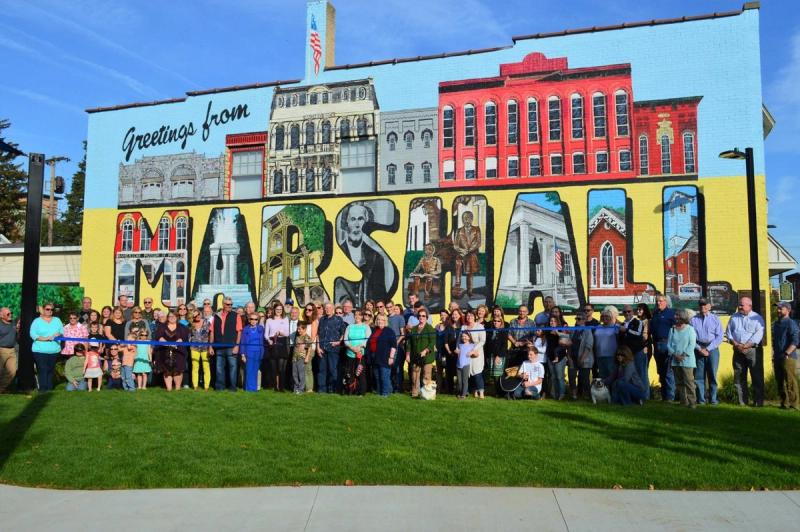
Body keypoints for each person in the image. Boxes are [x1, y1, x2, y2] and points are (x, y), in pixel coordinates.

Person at [340, 203, 388, 306]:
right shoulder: (337, 254)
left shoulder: (377, 258)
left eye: (360, 219)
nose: (357, 225)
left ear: (366, 223)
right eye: (353, 219)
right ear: (346, 222)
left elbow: (380, 295)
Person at [725, 296, 765, 406]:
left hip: (752, 350)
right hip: (737, 350)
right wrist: (737, 345)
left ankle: (758, 402)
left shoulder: (757, 318)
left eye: (742, 305)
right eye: (739, 304)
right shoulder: (733, 317)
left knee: (756, 376)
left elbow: (758, 335)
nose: (740, 306)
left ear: (749, 306)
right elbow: (729, 333)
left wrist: (746, 345)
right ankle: (742, 402)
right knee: (739, 377)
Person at [689, 298, 723, 405]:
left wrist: (708, 349)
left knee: (712, 374)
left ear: (709, 306)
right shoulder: (693, 320)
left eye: (705, 305)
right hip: (698, 348)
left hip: (712, 349)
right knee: (699, 376)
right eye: (700, 305)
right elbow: (690, 337)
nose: (702, 307)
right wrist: (699, 348)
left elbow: (720, 336)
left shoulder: (715, 319)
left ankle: (713, 399)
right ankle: (701, 399)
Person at [29, 302, 63, 392]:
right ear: (43, 310)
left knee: (50, 369)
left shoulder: (57, 320)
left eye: (52, 309)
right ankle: (43, 389)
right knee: (42, 369)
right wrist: (46, 338)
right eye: (47, 309)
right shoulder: (37, 321)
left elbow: (62, 331)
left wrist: (58, 334)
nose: (50, 311)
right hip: (40, 350)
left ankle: (49, 388)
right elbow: (32, 334)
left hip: (54, 350)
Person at [772, 302, 799, 410]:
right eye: (777, 308)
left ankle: (794, 405)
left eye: (780, 308)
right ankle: (784, 403)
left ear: (788, 310)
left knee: (790, 381)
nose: (778, 310)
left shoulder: (791, 323)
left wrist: (787, 353)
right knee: (780, 381)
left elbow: (795, 340)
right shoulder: (777, 324)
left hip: (788, 357)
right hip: (778, 356)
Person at [212, 297, 242, 392]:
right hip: (219, 347)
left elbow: (239, 332)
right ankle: (220, 387)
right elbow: (212, 331)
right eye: (228, 304)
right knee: (219, 368)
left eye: (231, 304)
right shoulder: (216, 316)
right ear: (223, 304)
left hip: (231, 347)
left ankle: (233, 387)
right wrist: (210, 346)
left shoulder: (236, 315)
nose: (230, 306)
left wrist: (237, 346)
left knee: (233, 368)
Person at [668, 309, 697, 408]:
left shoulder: (690, 329)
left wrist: (683, 355)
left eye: (677, 315)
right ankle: (683, 402)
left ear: (683, 317)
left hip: (687, 360)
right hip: (675, 360)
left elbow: (692, 344)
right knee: (679, 382)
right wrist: (675, 355)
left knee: (689, 382)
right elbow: (669, 345)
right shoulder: (672, 329)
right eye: (675, 315)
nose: (675, 317)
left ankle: (692, 403)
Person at [651, 295, 676, 401]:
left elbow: (676, 330)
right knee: (660, 371)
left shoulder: (671, 313)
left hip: (667, 343)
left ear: (665, 302)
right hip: (656, 345)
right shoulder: (655, 314)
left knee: (668, 371)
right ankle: (664, 396)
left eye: (660, 301)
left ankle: (670, 397)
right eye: (657, 301)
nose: (658, 303)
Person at [316, 302, 346, 393]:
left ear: (333, 309)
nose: (327, 309)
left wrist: (338, 342)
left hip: (333, 349)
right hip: (322, 349)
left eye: (329, 308)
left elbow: (344, 333)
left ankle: (333, 389)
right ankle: (321, 390)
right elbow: (318, 334)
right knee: (322, 371)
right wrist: (318, 347)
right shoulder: (322, 320)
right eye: (326, 308)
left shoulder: (338, 319)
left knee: (333, 370)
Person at [155, 311, 189, 391]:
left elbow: (184, 339)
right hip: (164, 351)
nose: (172, 318)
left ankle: (177, 388)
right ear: (167, 317)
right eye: (170, 316)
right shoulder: (162, 327)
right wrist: (167, 344)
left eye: (174, 316)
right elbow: (159, 337)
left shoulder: (182, 327)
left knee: (178, 370)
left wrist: (176, 344)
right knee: (167, 371)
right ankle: (169, 389)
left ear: (177, 317)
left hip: (178, 351)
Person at [619, 304, 648, 399]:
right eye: (625, 312)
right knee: (630, 375)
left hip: (638, 352)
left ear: (633, 312)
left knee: (641, 373)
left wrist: (626, 330)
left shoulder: (638, 322)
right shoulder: (622, 324)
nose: (627, 313)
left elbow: (638, 334)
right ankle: (634, 396)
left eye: (629, 311)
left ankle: (645, 396)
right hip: (627, 354)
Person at [367, 314, 397, 397]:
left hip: (385, 357)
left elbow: (394, 346)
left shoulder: (389, 331)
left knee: (384, 376)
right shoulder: (374, 330)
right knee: (377, 376)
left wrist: (391, 357)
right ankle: (380, 392)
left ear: (385, 321)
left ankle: (385, 393)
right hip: (375, 357)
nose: (380, 321)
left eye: (382, 320)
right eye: (378, 319)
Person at [452, 211, 481, 297]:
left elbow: (478, 243)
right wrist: (462, 250)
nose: (466, 220)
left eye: (468, 218)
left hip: (471, 254)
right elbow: (456, 245)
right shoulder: (459, 230)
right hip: (461, 254)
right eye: (464, 218)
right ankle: (457, 287)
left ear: (472, 219)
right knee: (458, 269)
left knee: (470, 273)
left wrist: (468, 250)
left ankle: (470, 291)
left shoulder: (476, 229)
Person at [407, 308, 435, 398]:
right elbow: (409, 343)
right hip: (415, 356)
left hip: (427, 357)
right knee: (415, 375)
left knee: (426, 376)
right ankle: (415, 393)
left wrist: (426, 350)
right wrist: (408, 354)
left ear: (426, 317)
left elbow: (432, 342)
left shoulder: (430, 329)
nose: (421, 317)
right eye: (419, 316)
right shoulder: (414, 329)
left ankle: (426, 394)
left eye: (423, 316)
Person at [343, 309, 371, 395]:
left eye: (359, 315)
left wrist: (359, 347)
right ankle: (350, 391)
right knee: (350, 373)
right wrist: (351, 347)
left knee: (360, 373)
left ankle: (361, 392)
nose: (357, 316)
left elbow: (367, 339)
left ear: (362, 316)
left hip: (360, 354)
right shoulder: (349, 327)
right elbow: (345, 340)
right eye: (356, 315)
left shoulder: (366, 327)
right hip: (350, 354)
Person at [265, 303, 290, 391]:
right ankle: (275, 387)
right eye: (277, 309)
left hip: (282, 342)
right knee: (273, 367)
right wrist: (269, 340)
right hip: (272, 343)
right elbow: (266, 335)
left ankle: (282, 387)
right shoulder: (269, 320)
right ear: (274, 310)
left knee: (281, 368)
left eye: (280, 309)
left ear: (282, 310)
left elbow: (287, 333)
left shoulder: (285, 319)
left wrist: (281, 333)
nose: (279, 311)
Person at [461, 310, 486, 399]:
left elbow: (482, 340)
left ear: (475, 316)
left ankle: (481, 392)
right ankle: (474, 391)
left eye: (471, 315)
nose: (469, 317)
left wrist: (473, 349)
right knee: (469, 373)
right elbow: (461, 339)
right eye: (467, 316)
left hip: (477, 352)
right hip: (466, 353)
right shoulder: (463, 327)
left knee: (477, 372)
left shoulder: (480, 326)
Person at [569, 311, 594, 399]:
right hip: (573, 357)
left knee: (584, 379)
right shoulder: (573, 330)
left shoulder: (588, 330)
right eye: (576, 318)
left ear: (584, 320)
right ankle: (574, 395)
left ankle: (586, 395)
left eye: (579, 319)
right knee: (572, 377)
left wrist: (582, 359)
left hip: (585, 359)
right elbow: (569, 344)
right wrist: (569, 357)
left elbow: (588, 346)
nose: (577, 320)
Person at [546, 315, 570, 400]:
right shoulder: (547, 331)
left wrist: (558, 333)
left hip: (560, 357)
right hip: (550, 356)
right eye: (551, 321)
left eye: (554, 321)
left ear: (557, 322)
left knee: (560, 376)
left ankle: (561, 394)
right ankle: (554, 394)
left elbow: (568, 337)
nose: (552, 322)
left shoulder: (561, 330)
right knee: (553, 376)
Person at [485, 314, 509, 396]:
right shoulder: (490, 332)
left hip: (499, 356)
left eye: (498, 321)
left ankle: (500, 392)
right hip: (490, 356)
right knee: (492, 375)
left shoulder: (503, 332)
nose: (496, 322)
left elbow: (504, 346)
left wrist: (498, 356)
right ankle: (495, 391)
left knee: (498, 375)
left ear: (501, 322)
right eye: (494, 321)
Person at [188, 311, 212, 391]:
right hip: (194, 348)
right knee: (195, 367)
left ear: (200, 314)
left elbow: (211, 335)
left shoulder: (207, 323)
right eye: (195, 316)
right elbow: (189, 337)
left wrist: (210, 346)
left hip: (205, 348)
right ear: (193, 317)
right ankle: (195, 386)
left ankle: (206, 387)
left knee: (206, 367)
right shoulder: (190, 325)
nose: (197, 316)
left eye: (198, 314)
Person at [242, 313, 266, 392]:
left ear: (258, 320)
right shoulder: (245, 329)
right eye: (252, 319)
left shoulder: (261, 328)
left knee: (255, 370)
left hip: (258, 352)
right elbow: (242, 342)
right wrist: (243, 354)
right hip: (249, 352)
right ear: (249, 320)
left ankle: (254, 388)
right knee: (249, 370)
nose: (254, 321)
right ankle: (249, 389)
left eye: (256, 319)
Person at [387, 301, 407, 393]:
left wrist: (396, 343)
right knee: (390, 368)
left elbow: (403, 334)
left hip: (398, 347)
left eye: (390, 307)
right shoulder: (386, 319)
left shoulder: (400, 318)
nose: (389, 309)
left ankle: (399, 388)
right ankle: (391, 387)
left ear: (393, 306)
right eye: (387, 307)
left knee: (398, 368)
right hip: (388, 347)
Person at [292, 321, 313, 394]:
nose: (298, 331)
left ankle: (301, 389)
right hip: (295, 358)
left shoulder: (307, 337)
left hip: (301, 358)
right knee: (294, 374)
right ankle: (296, 388)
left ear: (305, 329)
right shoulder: (297, 336)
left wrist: (307, 357)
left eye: (300, 329)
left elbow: (309, 348)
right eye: (298, 329)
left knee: (301, 374)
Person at [0, 307, 18, 393]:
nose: (10, 315)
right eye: (8, 314)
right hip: (1, 350)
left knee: (12, 371)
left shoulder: (14, 323)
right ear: (1, 315)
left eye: (11, 313)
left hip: (12, 350)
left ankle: (1, 389)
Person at [456, 331, 475, 400]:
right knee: (459, 381)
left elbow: (476, 353)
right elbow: (456, 351)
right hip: (458, 365)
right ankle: (461, 392)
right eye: (462, 336)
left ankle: (463, 395)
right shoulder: (460, 345)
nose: (463, 338)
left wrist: (472, 352)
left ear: (469, 337)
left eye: (465, 336)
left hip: (466, 365)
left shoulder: (472, 345)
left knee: (465, 380)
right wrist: (456, 351)